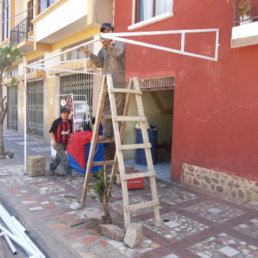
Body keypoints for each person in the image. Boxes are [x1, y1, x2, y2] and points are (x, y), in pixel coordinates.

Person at [80, 23, 126, 140]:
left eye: (108, 31)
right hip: (106, 81)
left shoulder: (120, 43)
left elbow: (116, 53)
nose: (106, 34)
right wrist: (90, 54)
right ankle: (107, 132)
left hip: (118, 81)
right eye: (104, 32)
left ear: (113, 32)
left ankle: (117, 135)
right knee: (105, 108)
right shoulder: (102, 50)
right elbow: (99, 63)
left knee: (118, 108)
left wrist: (107, 47)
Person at [49, 107, 73, 176]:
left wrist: (71, 137)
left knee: (58, 157)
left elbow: (70, 131)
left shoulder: (69, 122)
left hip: (65, 142)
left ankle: (52, 168)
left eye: (67, 113)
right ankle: (68, 173)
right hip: (58, 143)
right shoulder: (56, 122)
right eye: (64, 113)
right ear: (61, 114)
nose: (66, 114)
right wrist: (54, 142)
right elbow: (51, 132)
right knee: (64, 157)